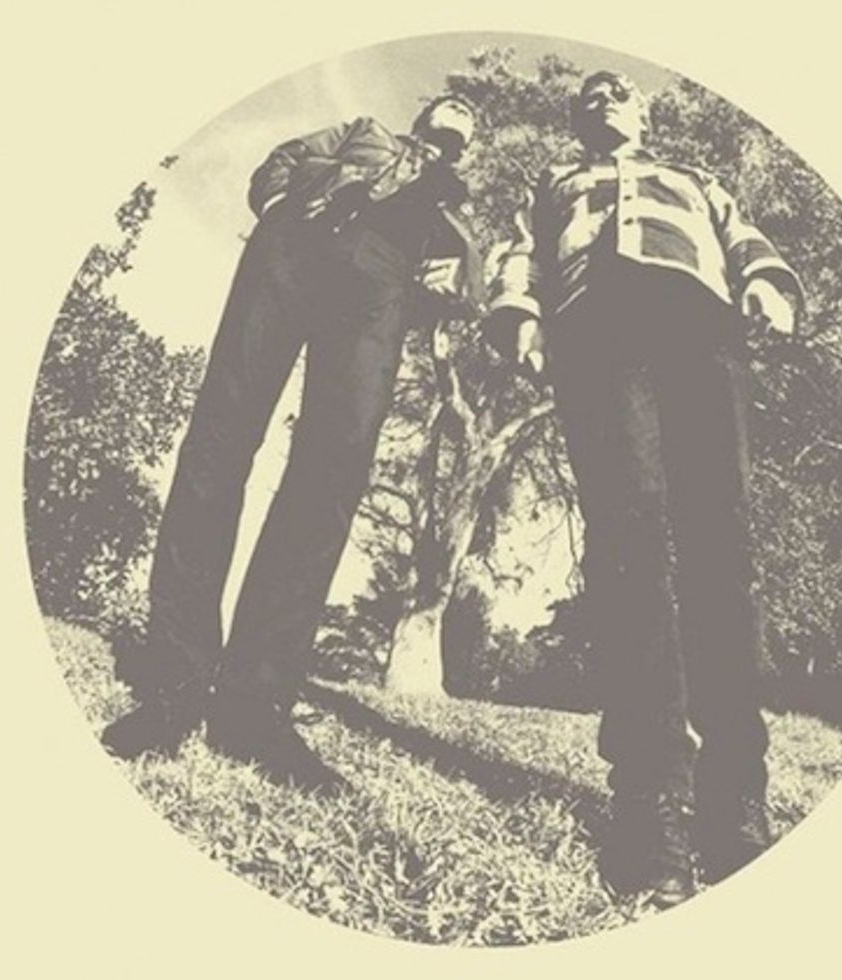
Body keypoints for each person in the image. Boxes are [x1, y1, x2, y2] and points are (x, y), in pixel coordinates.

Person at [102, 94, 484, 791]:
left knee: (332, 476)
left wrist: (454, 282)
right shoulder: (365, 131)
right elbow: (286, 157)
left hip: (381, 291)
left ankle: (254, 707)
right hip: (297, 247)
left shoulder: (454, 209)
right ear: (425, 116)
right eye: (450, 102)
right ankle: (173, 687)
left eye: (469, 118)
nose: (457, 112)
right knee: (220, 442)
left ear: (470, 144)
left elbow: (467, 286)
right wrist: (281, 205)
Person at [485, 71, 803, 906]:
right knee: (628, 548)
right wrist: (519, 313)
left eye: (618, 90)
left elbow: (743, 236)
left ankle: (735, 794)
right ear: (578, 118)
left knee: (722, 548)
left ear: (642, 114)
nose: (604, 97)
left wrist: (766, 282)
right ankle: (651, 798)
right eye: (591, 93)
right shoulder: (553, 183)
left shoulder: (693, 176)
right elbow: (518, 252)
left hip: (701, 328)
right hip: (596, 331)